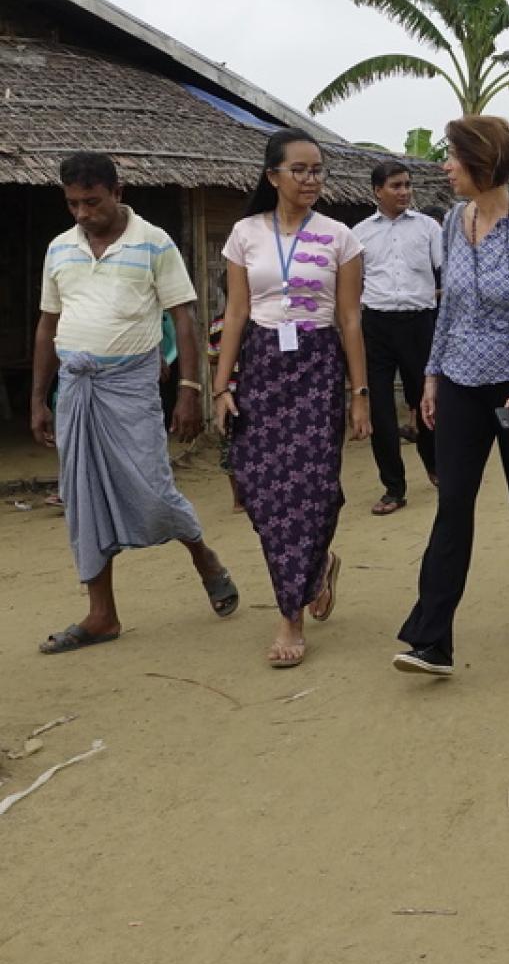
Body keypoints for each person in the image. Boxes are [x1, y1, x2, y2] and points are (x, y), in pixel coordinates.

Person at [31, 152, 237, 654]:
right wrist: (38, 397)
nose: (82, 213)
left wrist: (189, 391)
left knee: (153, 488)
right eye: (73, 203)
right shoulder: (60, 249)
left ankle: (203, 556)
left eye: (92, 201)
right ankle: (102, 615)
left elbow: (183, 319)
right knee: (82, 499)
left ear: (117, 193)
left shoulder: (154, 242)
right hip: (76, 390)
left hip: (131, 386)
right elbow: (47, 325)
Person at [394, 116, 509, 676]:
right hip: (462, 385)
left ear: (483, 163)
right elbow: (450, 307)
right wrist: (432, 374)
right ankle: (431, 638)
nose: (445, 166)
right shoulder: (452, 220)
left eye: (454, 157)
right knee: (453, 505)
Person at [213, 129, 371, 668]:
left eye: (318, 170)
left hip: (319, 364)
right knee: (261, 489)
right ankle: (316, 565)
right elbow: (234, 314)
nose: (311, 180)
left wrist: (360, 393)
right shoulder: (244, 234)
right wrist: (221, 384)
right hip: (261, 364)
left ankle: (290, 614)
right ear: (272, 176)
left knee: (314, 488)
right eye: (300, 170)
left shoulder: (340, 237)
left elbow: (350, 319)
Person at [351, 161, 442, 515]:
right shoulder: (358, 233)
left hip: (420, 324)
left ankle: (435, 465)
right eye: (395, 186)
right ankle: (393, 487)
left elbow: (444, 272)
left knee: (426, 402)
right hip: (376, 326)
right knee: (382, 411)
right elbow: (353, 285)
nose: (404, 191)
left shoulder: (428, 229)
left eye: (407, 185)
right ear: (377, 190)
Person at [207, 274, 244, 513]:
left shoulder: (216, 325)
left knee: (230, 445)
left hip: (228, 391)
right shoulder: (257, 321)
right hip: (247, 391)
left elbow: (213, 360)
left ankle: (238, 499)